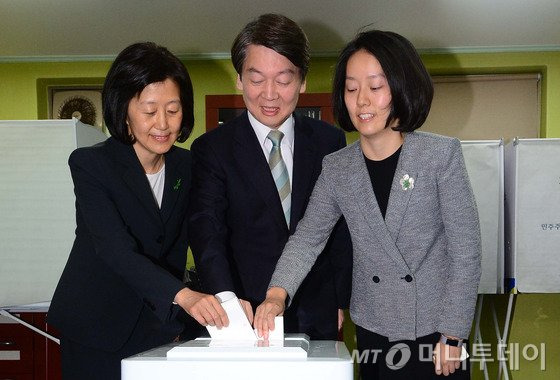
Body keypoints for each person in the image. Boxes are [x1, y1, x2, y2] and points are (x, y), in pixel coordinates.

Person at [255, 30, 481, 379]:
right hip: (373, 328)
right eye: (351, 88)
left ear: (401, 88)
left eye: (375, 88)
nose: (361, 101)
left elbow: (465, 250)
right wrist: (275, 294)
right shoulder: (338, 168)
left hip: (435, 333)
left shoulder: (439, 155)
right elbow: (307, 238)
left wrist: (454, 332)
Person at [48, 42, 228, 379]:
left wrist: (227, 294)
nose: (162, 124)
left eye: (173, 110)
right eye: (149, 111)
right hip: (95, 328)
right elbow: (114, 249)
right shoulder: (92, 165)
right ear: (124, 109)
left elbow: (206, 236)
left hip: (158, 326)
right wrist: (183, 296)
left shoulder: (188, 166)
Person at [188, 13, 352, 340]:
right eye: (257, 78)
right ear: (239, 79)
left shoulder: (328, 141)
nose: (270, 94)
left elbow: (340, 228)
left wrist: (340, 298)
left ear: (303, 81)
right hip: (244, 310)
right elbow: (207, 230)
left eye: (284, 79)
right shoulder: (212, 148)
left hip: (317, 305)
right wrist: (226, 298)